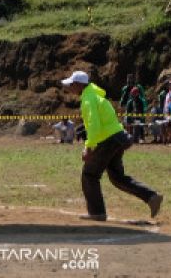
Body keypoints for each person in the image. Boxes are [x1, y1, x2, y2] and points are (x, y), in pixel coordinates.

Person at [60, 70, 162, 222]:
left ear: (79, 85)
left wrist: (89, 147)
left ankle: (96, 213)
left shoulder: (88, 99)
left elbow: (94, 125)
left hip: (107, 140)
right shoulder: (95, 95)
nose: (69, 88)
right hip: (117, 138)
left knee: (90, 175)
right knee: (117, 177)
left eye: (71, 84)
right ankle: (151, 196)